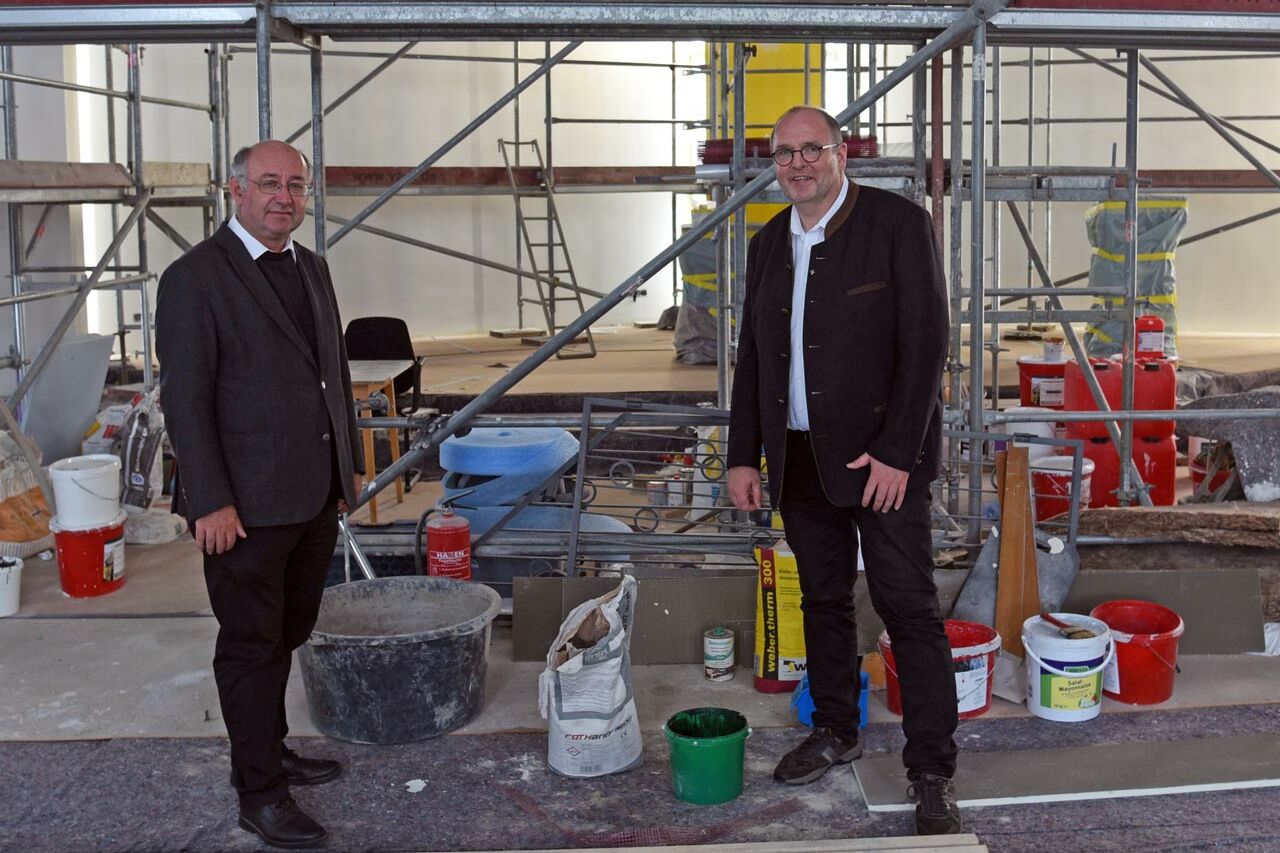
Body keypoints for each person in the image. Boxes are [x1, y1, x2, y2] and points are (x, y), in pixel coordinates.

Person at [726, 106, 959, 835]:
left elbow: (926, 345)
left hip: (881, 461)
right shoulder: (768, 243)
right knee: (822, 602)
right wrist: (742, 454)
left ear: (840, 153)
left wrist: (898, 452)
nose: (797, 163)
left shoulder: (895, 225)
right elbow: (754, 358)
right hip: (797, 458)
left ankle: (931, 770)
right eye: (784, 152)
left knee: (909, 611)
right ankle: (836, 728)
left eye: (811, 149)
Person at [157, 139, 364, 849]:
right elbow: (185, 399)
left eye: (296, 186)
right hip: (241, 506)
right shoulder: (194, 279)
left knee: (288, 631)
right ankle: (260, 794)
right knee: (249, 644)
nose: (285, 196)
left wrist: (349, 472)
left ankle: (270, 748)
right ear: (234, 190)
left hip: (309, 495)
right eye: (270, 183)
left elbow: (331, 373)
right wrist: (209, 499)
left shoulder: (312, 267)